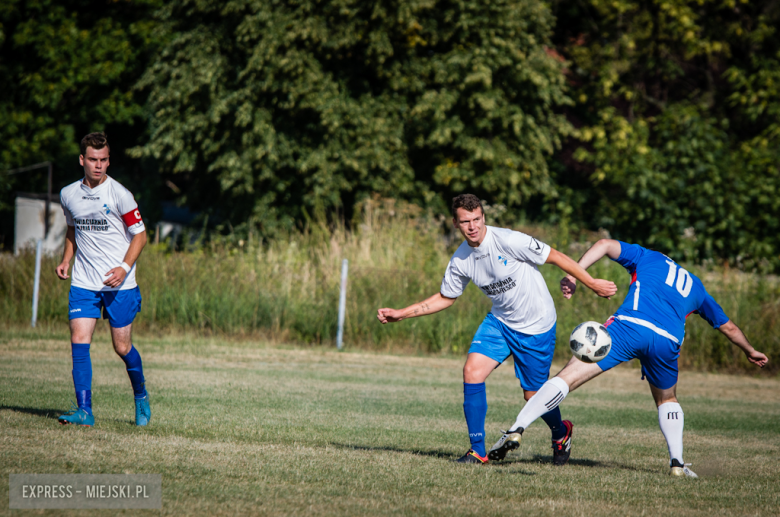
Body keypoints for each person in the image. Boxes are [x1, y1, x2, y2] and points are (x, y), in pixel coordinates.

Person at [488, 239, 768, 476]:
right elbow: (728, 327)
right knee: (667, 399)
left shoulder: (649, 257)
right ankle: (677, 464)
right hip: (667, 341)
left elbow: (605, 244)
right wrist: (750, 350)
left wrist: (574, 274)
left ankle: (516, 428)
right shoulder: (696, 286)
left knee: (566, 378)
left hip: (629, 327)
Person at [376, 194, 617, 464]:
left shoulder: (509, 240)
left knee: (533, 395)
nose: (473, 226)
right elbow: (446, 297)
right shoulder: (461, 260)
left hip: (536, 326)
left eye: (477, 219)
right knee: (472, 371)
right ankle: (478, 451)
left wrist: (591, 283)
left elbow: (556, 257)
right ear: (456, 223)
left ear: (483, 217)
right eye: (465, 221)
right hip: (500, 323)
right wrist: (402, 314)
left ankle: (561, 433)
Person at [55, 132, 151, 427]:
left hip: (118, 284)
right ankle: (85, 411)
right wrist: (66, 259)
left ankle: (141, 396)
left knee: (121, 347)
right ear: (82, 160)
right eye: (93, 160)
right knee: (78, 341)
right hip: (84, 281)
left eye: (104, 160)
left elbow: (141, 234)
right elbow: (74, 229)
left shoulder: (119, 194)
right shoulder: (68, 194)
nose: (99, 166)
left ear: (109, 160)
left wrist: (123, 267)